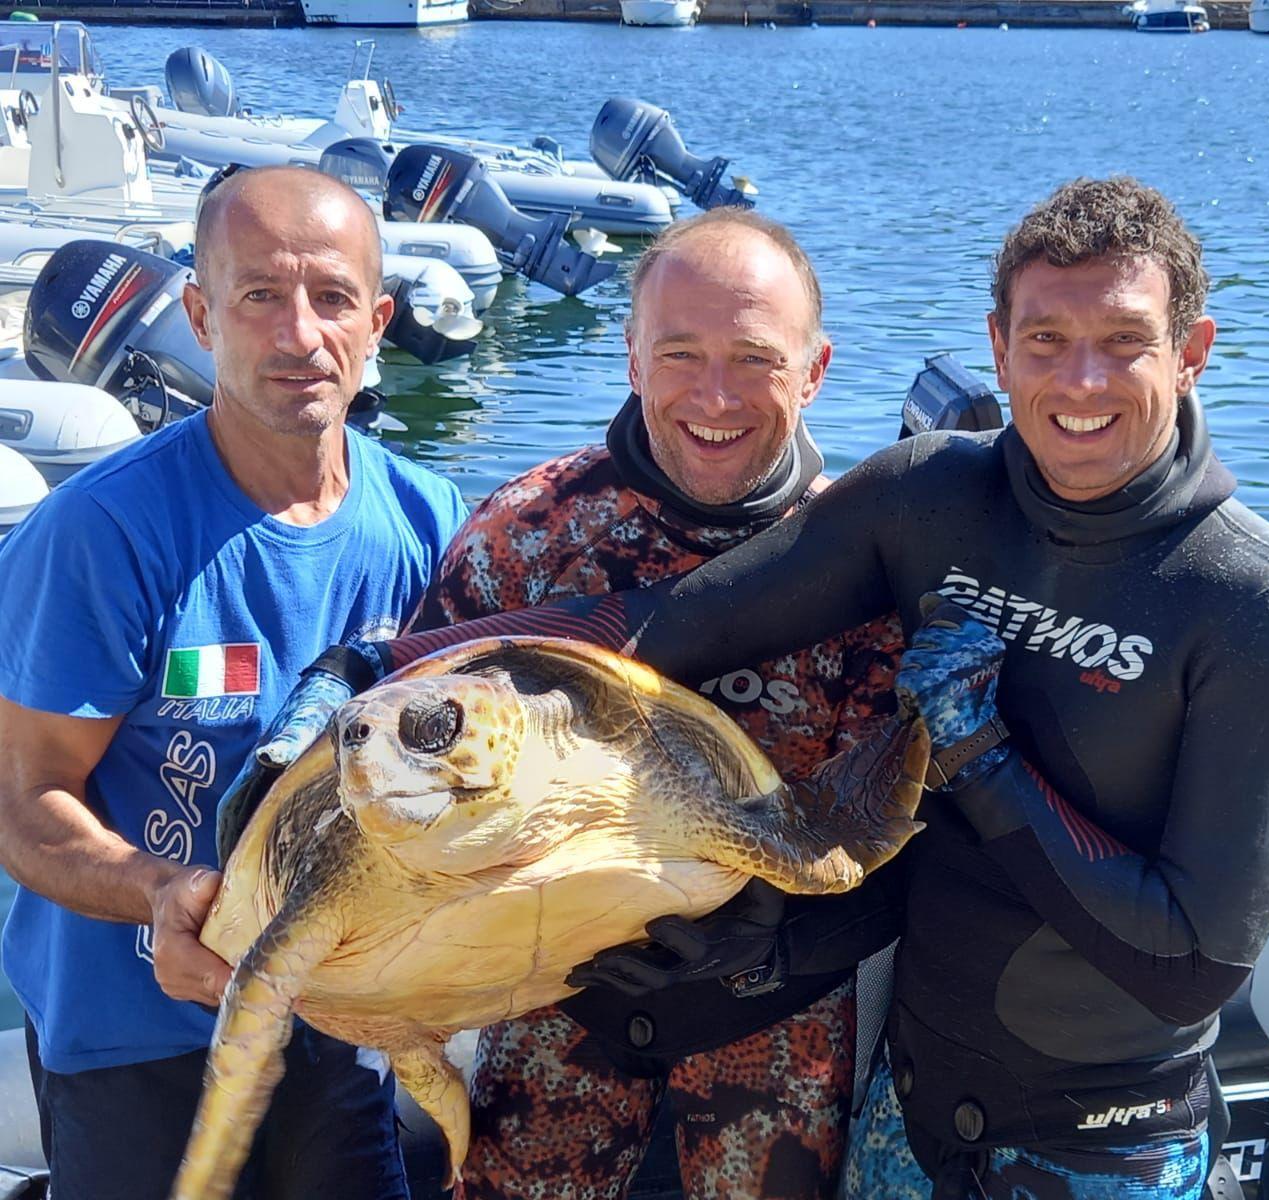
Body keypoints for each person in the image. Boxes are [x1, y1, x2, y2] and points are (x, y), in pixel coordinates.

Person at [252, 176, 1269, 1199]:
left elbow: (1189, 968)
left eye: (1124, 343)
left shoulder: (1259, 603)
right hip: (898, 1121)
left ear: (1193, 350)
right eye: (1048, 340)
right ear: (998, 350)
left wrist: (974, 765)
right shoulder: (930, 505)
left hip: (1101, 1143)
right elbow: (670, 626)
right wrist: (376, 672)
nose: (1080, 381)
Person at [226, 207, 904, 1200]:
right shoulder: (523, 540)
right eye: (679, 353)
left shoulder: (874, 571)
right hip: (544, 1047)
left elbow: (909, 836)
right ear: (630, 357)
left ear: (815, 370)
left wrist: (770, 933)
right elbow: (393, 732)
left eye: (753, 358)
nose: (714, 395)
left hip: (770, 1058)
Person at [0, 165, 466, 1200]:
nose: (300, 334)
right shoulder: (102, 535)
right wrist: (159, 894)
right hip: (135, 1037)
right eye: (260, 295)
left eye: (333, 297)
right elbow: (23, 801)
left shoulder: (434, 527)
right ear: (203, 317)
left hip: (336, 1020)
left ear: (379, 320)